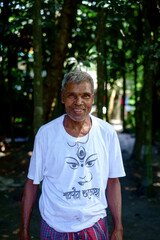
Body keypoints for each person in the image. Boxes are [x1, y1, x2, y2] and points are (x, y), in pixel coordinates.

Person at [20, 70, 126, 240]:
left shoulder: (107, 133)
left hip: (94, 223)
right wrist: (23, 229)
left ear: (92, 98)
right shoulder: (46, 134)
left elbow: (113, 181)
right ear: (62, 98)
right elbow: (32, 182)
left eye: (85, 96)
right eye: (72, 96)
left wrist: (118, 227)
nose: (79, 102)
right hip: (54, 224)